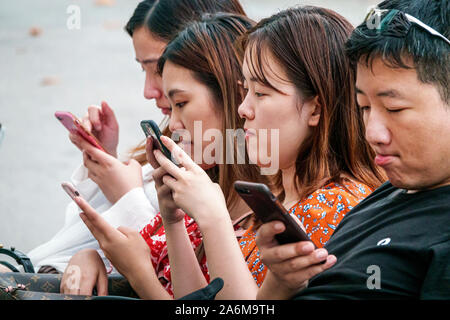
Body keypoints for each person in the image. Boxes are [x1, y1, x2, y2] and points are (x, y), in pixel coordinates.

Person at [151, 6, 386, 299]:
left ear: (315, 107)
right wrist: (172, 219)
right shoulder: (281, 198)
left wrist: (212, 217)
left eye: (261, 93)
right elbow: (195, 305)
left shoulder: (333, 208)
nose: (243, 108)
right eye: (245, 90)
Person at [0, 0, 247, 276]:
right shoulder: (184, 146)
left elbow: (171, 276)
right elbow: (74, 234)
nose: (149, 90)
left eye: (157, 68)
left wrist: (124, 195)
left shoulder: (221, 177)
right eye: (144, 69)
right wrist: (107, 163)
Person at [255, 0, 450, 299]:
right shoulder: (385, 196)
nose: (372, 133)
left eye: (394, 108)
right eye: (364, 107)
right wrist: (281, 283)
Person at [63, 13, 263, 299]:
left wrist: (141, 278)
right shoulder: (196, 199)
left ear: (232, 94)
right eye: (170, 109)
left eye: (181, 103)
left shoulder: (259, 224)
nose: (173, 124)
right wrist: (89, 256)